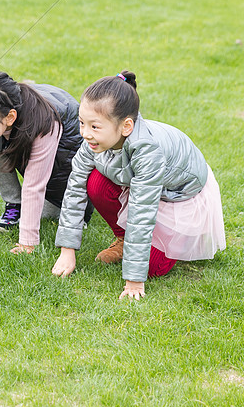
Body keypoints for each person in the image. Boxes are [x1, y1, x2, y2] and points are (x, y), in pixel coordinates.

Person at [51, 71, 226, 299]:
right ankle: (123, 240)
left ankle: (166, 247)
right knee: (94, 182)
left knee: (153, 268)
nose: (85, 134)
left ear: (126, 127)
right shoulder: (92, 141)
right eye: (82, 123)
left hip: (177, 194)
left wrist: (134, 282)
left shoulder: (147, 152)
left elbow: (141, 212)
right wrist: (67, 250)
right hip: (139, 182)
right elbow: (75, 188)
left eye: (94, 127)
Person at [0, 70, 90, 254]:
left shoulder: (45, 122)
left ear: (10, 117)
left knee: (54, 214)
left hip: (66, 153)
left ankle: (80, 211)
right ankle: (15, 204)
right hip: (20, 134)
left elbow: (34, 184)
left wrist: (27, 242)